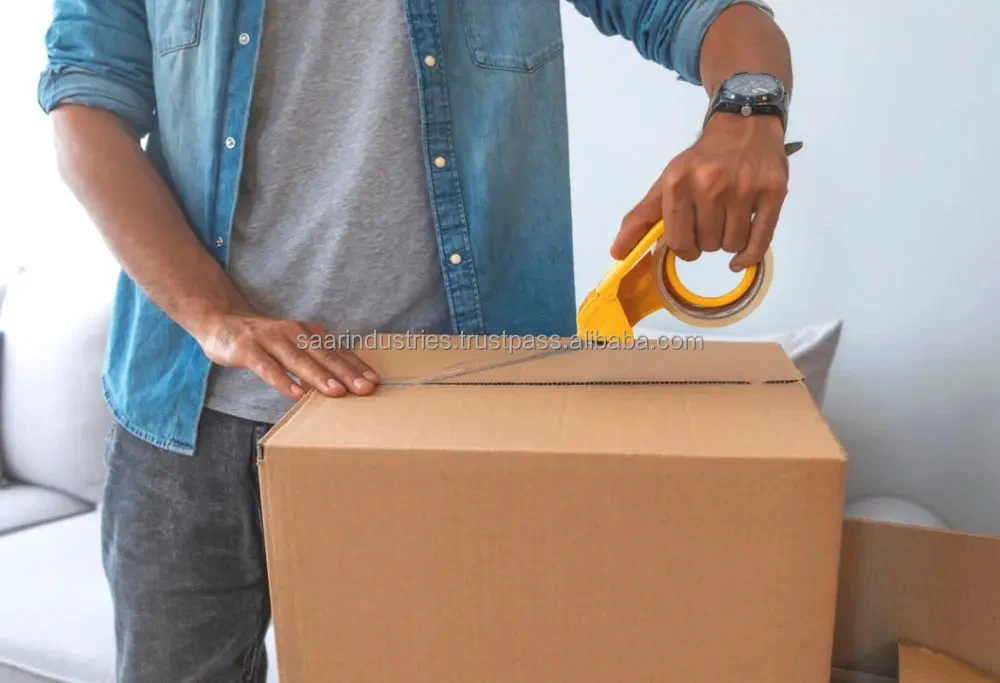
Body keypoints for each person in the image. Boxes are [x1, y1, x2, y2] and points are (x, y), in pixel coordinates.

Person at [38, 0, 794, 680]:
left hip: (450, 424)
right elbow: (85, 103)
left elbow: (707, 15)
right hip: (184, 415)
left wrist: (748, 109)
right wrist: (214, 314)